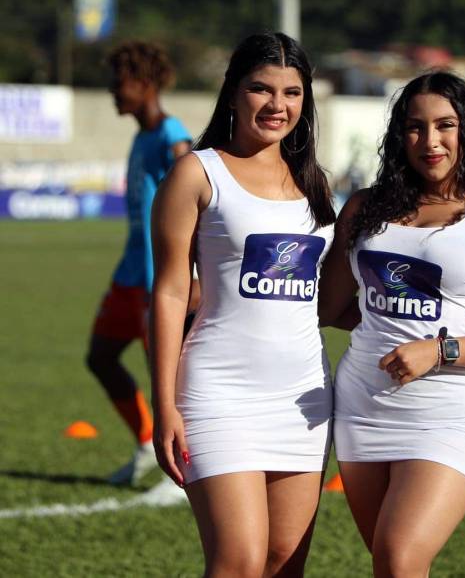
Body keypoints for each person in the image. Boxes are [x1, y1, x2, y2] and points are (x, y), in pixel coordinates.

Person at [318, 71, 465, 577]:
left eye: (446, 125)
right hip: (363, 407)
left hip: (448, 413)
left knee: (400, 557)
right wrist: (383, 325)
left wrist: (437, 351)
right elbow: (329, 306)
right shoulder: (364, 209)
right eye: (415, 127)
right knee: (388, 564)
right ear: (400, 136)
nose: (430, 141)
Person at [149, 33, 336, 577]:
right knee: (238, 561)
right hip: (219, 394)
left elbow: (328, 295)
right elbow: (168, 293)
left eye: (292, 93)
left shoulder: (315, 185)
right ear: (233, 93)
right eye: (261, 88)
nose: (278, 105)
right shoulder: (196, 173)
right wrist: (165, 405)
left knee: (284, 563)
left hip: (303, 401)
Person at [85, 41, 193, 486]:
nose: (112, 91)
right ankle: (148, 443)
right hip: (130, 275)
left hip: (158, 281)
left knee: (169, 379)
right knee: (100, 357)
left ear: (144, 84)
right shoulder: (142, 134)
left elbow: (197, 200)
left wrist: (193, 275)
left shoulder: (172, 136)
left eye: (119, 82)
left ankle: (184, 471)